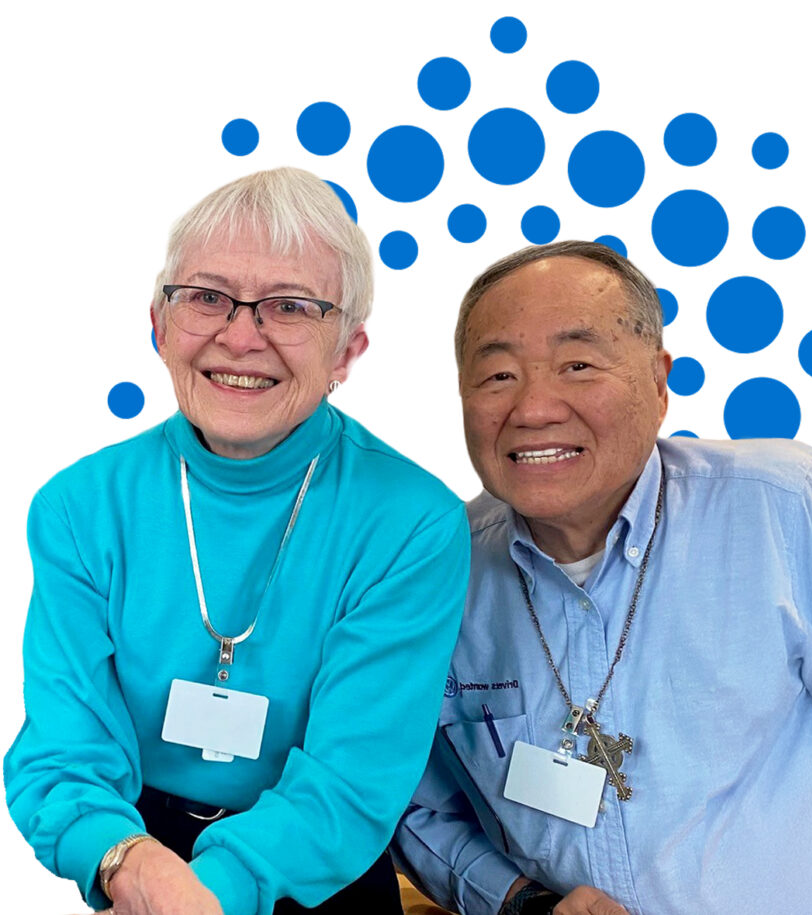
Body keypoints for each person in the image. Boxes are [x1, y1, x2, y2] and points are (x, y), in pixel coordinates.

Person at [391, 241, 812, 915]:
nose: (534, 407)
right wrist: (523, 902)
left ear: (659, 383)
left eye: (577, 365)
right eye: (498, 375)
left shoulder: (783, 505)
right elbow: (415, 805)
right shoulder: (437, 570)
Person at [4, 167, 469, 915]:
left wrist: (203, 894)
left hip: (322, 866)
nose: (241, 335)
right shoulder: (79, 506)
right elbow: (65, 746)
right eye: (207, 297)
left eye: (290, 306)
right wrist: (121, 860)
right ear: (159, 326)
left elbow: (352, 780)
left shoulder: (412, 523)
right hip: (134, 849)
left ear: (346, 351)